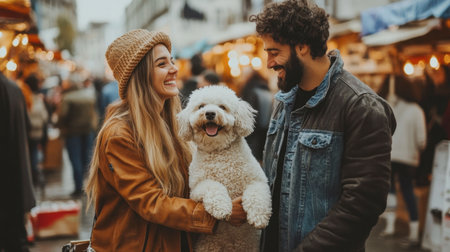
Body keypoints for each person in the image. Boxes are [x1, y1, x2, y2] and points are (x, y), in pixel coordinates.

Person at [249, 1, 396, 251]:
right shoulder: (283, 102)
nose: (269, 63)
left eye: (274, 52)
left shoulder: (360, 106)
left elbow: (361, 206)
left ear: (303, 47)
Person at [85, 29, 246, 252]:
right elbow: (151, 202)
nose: (174, 68)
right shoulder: (119, 134)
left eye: (171, 60)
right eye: (162, 64)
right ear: (140, 76)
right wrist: (219, 213)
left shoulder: (173, 123)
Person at [378, 75, 426, 247]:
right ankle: (414, 232)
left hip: (389, 155)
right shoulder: (416, 110)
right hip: (409, 158)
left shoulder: (386, 107)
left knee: (390, 191)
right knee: (408, 191)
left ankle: (390, 227)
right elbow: (422, 140)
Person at [0, 72, 36, 252]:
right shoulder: (15, 89)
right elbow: (28, 127)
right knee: (16, 239)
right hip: (17, 178)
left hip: (5, 181)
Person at [57, 71, 97, 197]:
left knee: (75, 159)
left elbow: (62, 115)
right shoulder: (87, 95)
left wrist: (60, 125)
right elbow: (93, 114)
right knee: (87, 158)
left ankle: (78, 186)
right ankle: (89, 185)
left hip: (72, 132)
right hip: (88, 131)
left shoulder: (67, 98)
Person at [240, 71, 273, 162]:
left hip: (253, 135)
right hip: (265, 134)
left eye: (244, 75)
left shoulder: (251, 91)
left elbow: (249, 116)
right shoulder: (268, 92)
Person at [24, 73, 49, 186]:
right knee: (34, 152)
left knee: (31, 154)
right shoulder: (38, 98)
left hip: (28, 132)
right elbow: (44, 116)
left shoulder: (26, 98)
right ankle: (36, 175)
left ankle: (33, 176)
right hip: (38, 132)